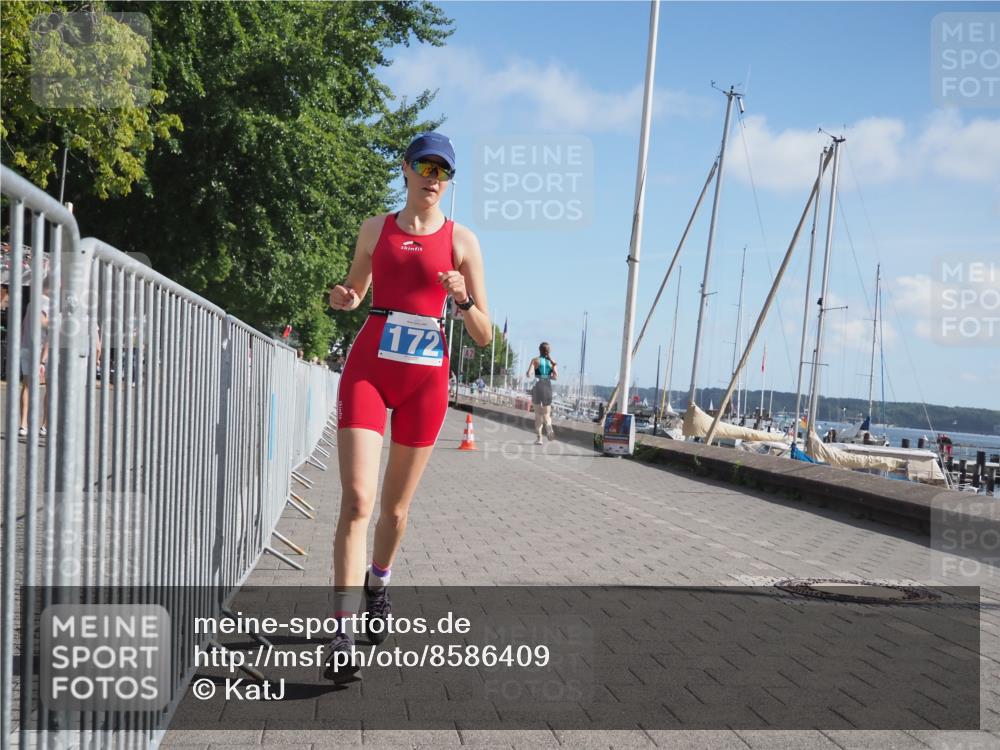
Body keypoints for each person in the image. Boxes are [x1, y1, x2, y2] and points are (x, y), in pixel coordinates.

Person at [326, 132, 490, 680]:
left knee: (394, 512)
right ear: (406, 169)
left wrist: (461, 297)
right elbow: (353, 290)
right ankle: (342, 633)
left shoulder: (462, 241)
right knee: (356, 501)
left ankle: (379, 581)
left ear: (449, 181)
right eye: (424, 165)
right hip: (370, 369)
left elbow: (485, 335)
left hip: (425, 382)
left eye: (442, 170)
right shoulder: (376, 228)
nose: (432, 176)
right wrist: (344, 297)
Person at [18, 284, 50, 438]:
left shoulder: (31, 303)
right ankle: (44, 425)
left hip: (26, 346)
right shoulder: (50, 304)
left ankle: (23, 424)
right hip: (43, 348)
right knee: (51, 387)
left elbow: (23, 326)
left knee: (27, 385)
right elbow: (46, 325)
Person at [526, 342, 557, 445]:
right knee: (547, 415)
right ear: (549, 351)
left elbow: (528, 374)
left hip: (537, 387)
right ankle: (548, 425)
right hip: (547, 387)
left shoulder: (535, 360)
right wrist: (547, 376)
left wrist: (530, 374)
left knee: (538, 415)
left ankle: (539, 439)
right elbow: (556, 377)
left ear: (539, 350)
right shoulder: (552, 363)